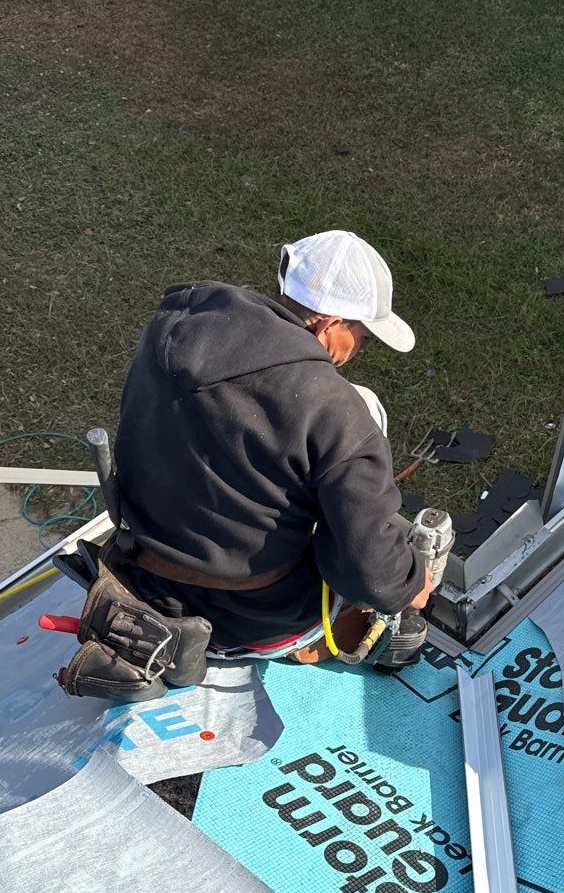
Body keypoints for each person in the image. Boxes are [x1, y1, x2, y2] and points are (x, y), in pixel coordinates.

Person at [110, 230, 433, 654]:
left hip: (139, 580)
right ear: (331, 324)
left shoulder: (171, 329)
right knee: (368, 409)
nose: (362, 348)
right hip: (246, 617)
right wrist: (409, 584)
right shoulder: (339, 413)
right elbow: (366, 573)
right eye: (364, 336)